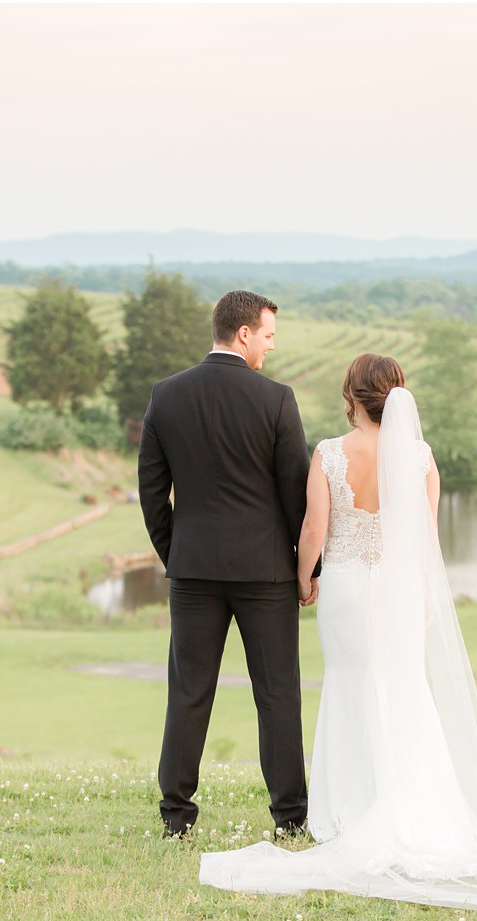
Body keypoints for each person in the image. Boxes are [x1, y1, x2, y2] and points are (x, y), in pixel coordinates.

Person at [198, 353, 477, 921]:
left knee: (348, 685)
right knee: (403, 688)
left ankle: (348, 811)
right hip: (399, 589)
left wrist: (302, 576)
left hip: (342, 588)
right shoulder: (420, 459)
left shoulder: (329, 454)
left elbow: (314, 528)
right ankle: (414, 805)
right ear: (397, 397)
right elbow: (425, 537)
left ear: (350, 395)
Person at [137, 290, 314, 839]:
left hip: (193, 572)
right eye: (267, 335)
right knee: (277, 693)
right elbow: (297, 495)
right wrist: (306, 568)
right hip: (266, 574)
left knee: (189, 690)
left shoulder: (166, 396)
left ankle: (176, 818)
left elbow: (150, 490)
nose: (269, 346)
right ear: (243, 334)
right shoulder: (277, 400)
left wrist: (177, 553)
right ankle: (291, 818)